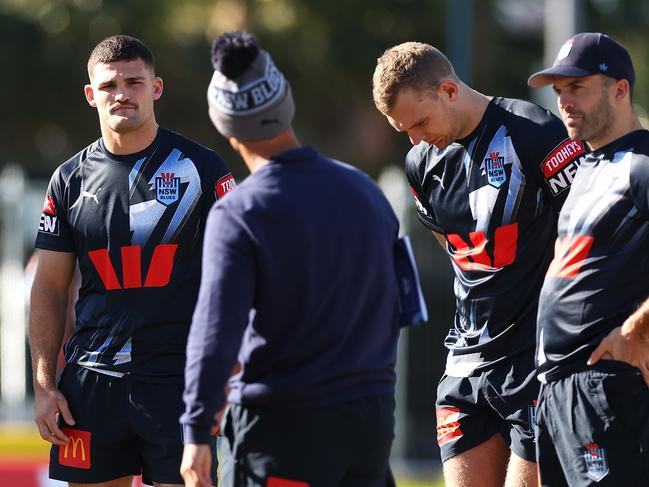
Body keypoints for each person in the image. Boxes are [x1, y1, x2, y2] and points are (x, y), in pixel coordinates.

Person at [180, 31, 404, 487]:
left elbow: (216, 332)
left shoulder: (240, 211)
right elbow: (401, 306)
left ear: (224, 123)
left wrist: (196, 428)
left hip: (284, 425)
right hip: (370, 420)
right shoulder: (367, 193)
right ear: (286, 104)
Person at [372, 42, 587, 486]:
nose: (415, 139)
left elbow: (594, 232)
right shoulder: (419, 165)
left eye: (419, 122)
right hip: (466, 366)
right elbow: (459, 256)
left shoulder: (534, 132)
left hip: (538, 363)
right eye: (403, 131)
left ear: (448, 90)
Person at [28, 34, 235, 487]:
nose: (122, 93)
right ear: (91, 95)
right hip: (93, 383)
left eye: (135, 82)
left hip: (181, 381)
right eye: (109, 85)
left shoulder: (202, 170)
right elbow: (48, 288)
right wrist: (44, 387)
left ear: (156, 88)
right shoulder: (68, 179)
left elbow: (240, 277)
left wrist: (230, 375)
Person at [528, 32, 649, 486]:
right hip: (557, 392)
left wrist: (635, 330)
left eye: (576, 87)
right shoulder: (589, 167)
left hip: (607, 388)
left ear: (620, 89)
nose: (563, 101)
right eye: (558, 90)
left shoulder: (641, 163)